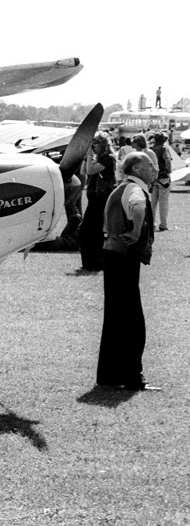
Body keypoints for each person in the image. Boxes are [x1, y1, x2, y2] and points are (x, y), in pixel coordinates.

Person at [96, 152, 157, 392]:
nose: (154, 169)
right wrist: (135, 231)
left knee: (115, 318)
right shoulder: (135, 190)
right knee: (133, 321)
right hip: (124, 256)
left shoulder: (121, 187)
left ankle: (110, 376)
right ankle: (132, 377)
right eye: (150, 165)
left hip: (112, 255)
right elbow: (138, 206)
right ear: (137, 168)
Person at [79, 133, 115, 272]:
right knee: (87, 231)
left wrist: (88, 156)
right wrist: (85, 157)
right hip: (94, 200)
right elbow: (84, 171)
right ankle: (89, 262)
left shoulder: (108, 159)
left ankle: (95, 262)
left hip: (101, 200)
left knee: (91, 231)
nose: (92, 148)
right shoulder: (98, 159)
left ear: (103, 145)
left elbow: (90, 170)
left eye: (95, 145)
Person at [147, 132, 173, 231]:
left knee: (153, 203)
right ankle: (163, 224)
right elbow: (167, 160)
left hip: (154, 179)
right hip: (163, 178)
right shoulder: (164, 149)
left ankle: (152, 223)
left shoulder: (151, 149)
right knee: (163, 203)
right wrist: (169, 171)